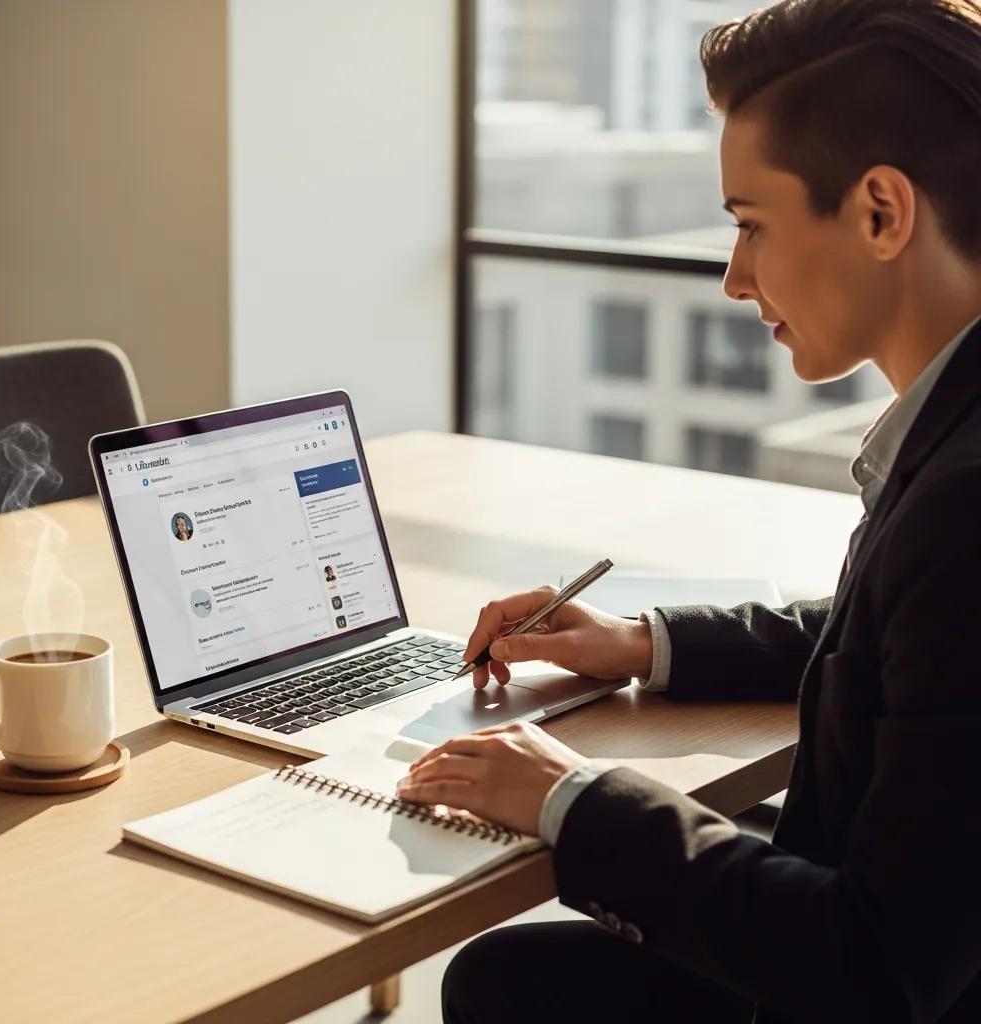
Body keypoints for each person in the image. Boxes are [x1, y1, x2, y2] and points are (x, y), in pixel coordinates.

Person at [398, 2, 981, 1020]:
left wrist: (571, 798)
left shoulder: (967, 506)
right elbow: (899, 647)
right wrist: (638, 643)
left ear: (881, 211)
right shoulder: (952, 435)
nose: (731, 277)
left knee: (505, 986)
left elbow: (877, 969)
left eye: (750, 223)